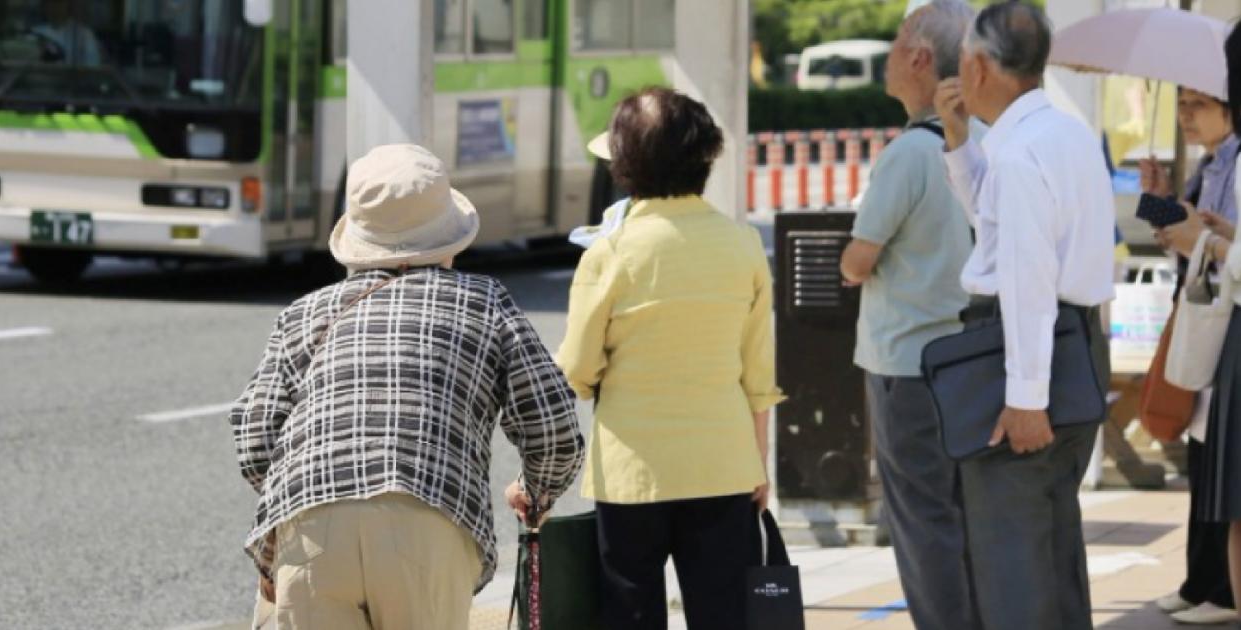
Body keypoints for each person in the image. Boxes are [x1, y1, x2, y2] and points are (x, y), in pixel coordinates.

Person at [230, 143, 585, 630]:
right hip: (427, 519)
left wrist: (307, 494)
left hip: (309, 525)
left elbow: (254, 441)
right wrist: (537, 494)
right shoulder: (484, 302)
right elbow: (553, 429)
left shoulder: (305, 313)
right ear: (450, 238)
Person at [555, 87, 783, 630]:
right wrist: (757, 461)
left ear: (624, 168)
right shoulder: (743, 243)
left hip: (633, 472)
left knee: (630, 612)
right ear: (705, 158)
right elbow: (759, 373)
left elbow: (577, 371)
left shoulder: (609, 253)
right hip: (724, 464)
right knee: (727, 615)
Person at [933, 4, 1116, 629]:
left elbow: (1025, 278)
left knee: (1010, 556)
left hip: (1022, 348)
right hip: (1076, 343)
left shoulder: (1017, 155)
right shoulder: (1064, 134)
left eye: (961, 61)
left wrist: (1025, 395)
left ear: (981, 66)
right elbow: (1001, 232)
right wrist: (961, 144)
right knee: (1052, 544)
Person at [838, 2, 978, 629]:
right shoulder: (982, 142)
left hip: (907, 364)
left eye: (897, 42)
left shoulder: (908, 155)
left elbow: (859, 262)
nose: (891, 54)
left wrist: (848, 256)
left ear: (920, 57)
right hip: (973, 356)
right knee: (967, 513)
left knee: (923, 522)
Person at [1144, 87, 1240, 626]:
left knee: (1222, 460)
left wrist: (1194, 236)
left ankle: (1224, 591)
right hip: (1203, 316)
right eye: (1181, 104)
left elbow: (1218, 249)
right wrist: (1157, 197)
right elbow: (1178, 238)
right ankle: (1200, 580)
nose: (1185, 115)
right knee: (1203, 454)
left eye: (1198, 105)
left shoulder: (1237, 163)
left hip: (1227, 323)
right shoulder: (1209, 166)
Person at [32, 0, 101, 65]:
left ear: (68, 4)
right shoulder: (35, 32)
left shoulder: (84, 35)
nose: (54, 6)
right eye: (50, 2)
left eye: (59, 2)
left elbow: (93, 66)